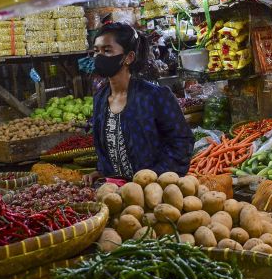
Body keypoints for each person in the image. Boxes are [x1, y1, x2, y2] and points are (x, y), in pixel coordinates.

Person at [83, 22, 194, 185]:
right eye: (96, 51)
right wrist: (100, 171)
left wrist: (154, 178)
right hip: (115, 192)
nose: (99, 57)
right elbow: (104, 148)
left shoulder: (155, 96)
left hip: (155, 192)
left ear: (129, 57)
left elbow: (182, 142)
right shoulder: (100, 99)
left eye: (107, 50)